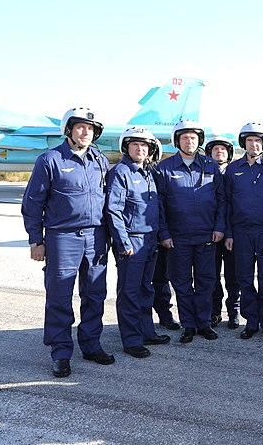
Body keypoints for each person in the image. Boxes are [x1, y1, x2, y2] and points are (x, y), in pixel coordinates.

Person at [22, 107, 115, 377]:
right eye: (80, 127)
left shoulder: (99, 159)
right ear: (69, 130)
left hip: (96, 236)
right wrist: (35, 240)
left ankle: (91, 343)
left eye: (89, 128)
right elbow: (32, 203)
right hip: (62, 236)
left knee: (95, 293)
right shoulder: (49, 160)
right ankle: (61, 352)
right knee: (60, 295)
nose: (85, 132)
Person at [155, 119, 226, 343]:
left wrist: (219, 227)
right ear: (177, 141)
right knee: (182, 282)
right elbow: (159, 205)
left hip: (207, 235)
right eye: (185, 138)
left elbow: (222, 200)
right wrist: (164, 234)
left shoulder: (210, 166)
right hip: (178, 238)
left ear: (199, 141)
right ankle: (188, 324)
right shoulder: (164, 168)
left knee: (206, 281)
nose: (189, 142)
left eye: (193, 138)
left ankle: (204, 323)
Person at [105, 127, 171, 359]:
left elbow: (156, 208)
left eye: (144, 146)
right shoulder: (120, 172)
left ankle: (146, 331)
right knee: (130, 292)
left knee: (146, 289)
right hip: (131, 241)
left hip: (149, 240)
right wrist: (123, 242)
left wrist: (161, 235)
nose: (140, 149)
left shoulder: (148, 173)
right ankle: (132, 340)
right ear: (126, 147)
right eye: (135, 145)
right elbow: (113, 210)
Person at [224, 123, 263, 340]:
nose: (254, 144)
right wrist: (229, 233)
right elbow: (227, 203)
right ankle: (251, 321)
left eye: (258, 141)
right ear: (243, 143)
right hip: (241, 232)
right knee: (245, 278)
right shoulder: (233, 170)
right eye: (250, 140)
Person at [205, 136, 240, 330]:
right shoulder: (204, 172)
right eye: (215, 149)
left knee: (233, 275)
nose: (219, 152)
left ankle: (234, 311)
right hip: (211, 232)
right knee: (212, 275)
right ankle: (214, 312)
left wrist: (230, 232)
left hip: (232, 232)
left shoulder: (235, 172)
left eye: (223, 149)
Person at [148, 137, 181, 331]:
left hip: (162, 235)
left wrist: (164, 232)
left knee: (161, 278)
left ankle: (164, 314)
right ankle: (139, 320)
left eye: (151, 151)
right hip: (140, 237)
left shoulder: (159, 173)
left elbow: (166, 205)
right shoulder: (125, 173)